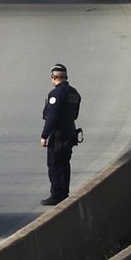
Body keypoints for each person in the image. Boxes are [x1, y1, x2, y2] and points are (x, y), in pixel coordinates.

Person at [41, 63, 81, 206]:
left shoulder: (56, 94)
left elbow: (52, 117)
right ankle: (64, 193)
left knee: (54, 164)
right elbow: (75, 115)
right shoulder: (74, 93)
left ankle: (56, 194)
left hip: (58, 135)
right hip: (70, 132)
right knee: (65, 164)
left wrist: (44, 135)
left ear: (53, 77)